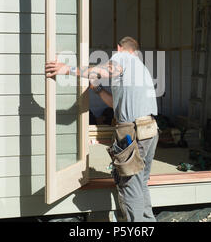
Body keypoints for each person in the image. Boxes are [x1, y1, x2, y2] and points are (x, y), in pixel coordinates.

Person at [45, 36, 159, 222]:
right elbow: (117, 104)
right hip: (150, 130)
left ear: (119, 48)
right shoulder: (140, 69)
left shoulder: (123, 58)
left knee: (130, 185)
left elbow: (104, 71)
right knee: (140, 183)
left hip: (133, 132)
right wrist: (97, 90)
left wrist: (66, 69)